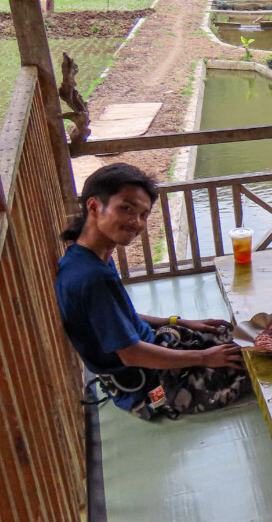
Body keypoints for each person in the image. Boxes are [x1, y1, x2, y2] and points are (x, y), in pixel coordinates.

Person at [56, 163, 249, 419]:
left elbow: (120, 317)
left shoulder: (87, 257)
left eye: (143, 214)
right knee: (256, 364)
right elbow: (131, 353)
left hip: (156, 353)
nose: (136, 222)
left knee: (243, 338)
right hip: (149, 384)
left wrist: (179, 321)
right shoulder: (91, 278)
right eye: (126, 208)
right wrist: (203, 357)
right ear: (94, 206)